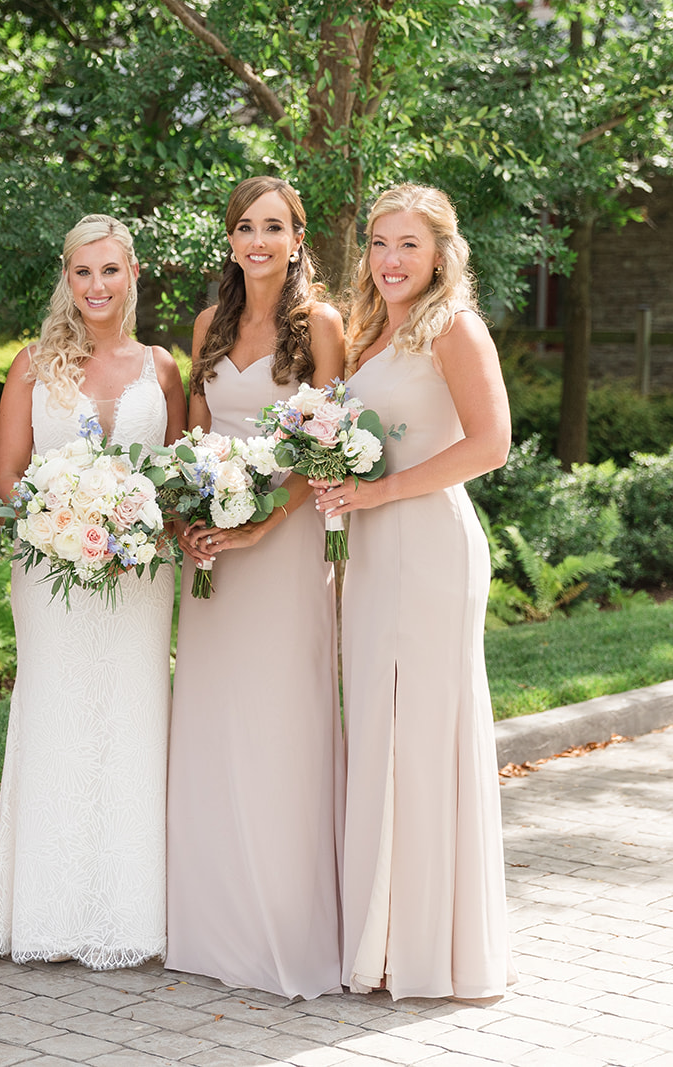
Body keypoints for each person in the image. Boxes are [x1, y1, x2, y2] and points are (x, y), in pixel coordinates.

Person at [311, 183, 514, 999]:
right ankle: (381, 935)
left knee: (425, 736)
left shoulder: (454, 328)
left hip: (429, 545)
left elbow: (492, 444)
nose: (391, 260)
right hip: (369, 549)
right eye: (379, 243)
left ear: (440, 255)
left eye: (409, 246)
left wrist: (381, 495)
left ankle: (433, 946)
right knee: (379, 730)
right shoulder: (366, 335)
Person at [0, 213, 186, 968]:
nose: (97, 285)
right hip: (51, 568)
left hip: (140, 573)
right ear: (66, 279)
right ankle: (48, 911)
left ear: (134, 273)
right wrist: (64, 518)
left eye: (110, 270)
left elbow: (175, 474)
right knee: (57, 710)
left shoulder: (164, 368)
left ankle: (134, 914)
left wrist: (132, 523)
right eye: (82, 272)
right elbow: (7, 476)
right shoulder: (32, 365)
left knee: (133, 714)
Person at [166, 176, 347, 999]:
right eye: (245, 226)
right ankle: (214, 927)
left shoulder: (322, 327)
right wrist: (196, 520)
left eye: (274, 226)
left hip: (284, 539)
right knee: (213, 716)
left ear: (299, 238)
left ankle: (285, 927)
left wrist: (260, 526)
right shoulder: (211, 324)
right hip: (216, 550)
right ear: (231, 240)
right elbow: (197, 437)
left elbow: (328, 448)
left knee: (280, 720)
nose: (258, 240)